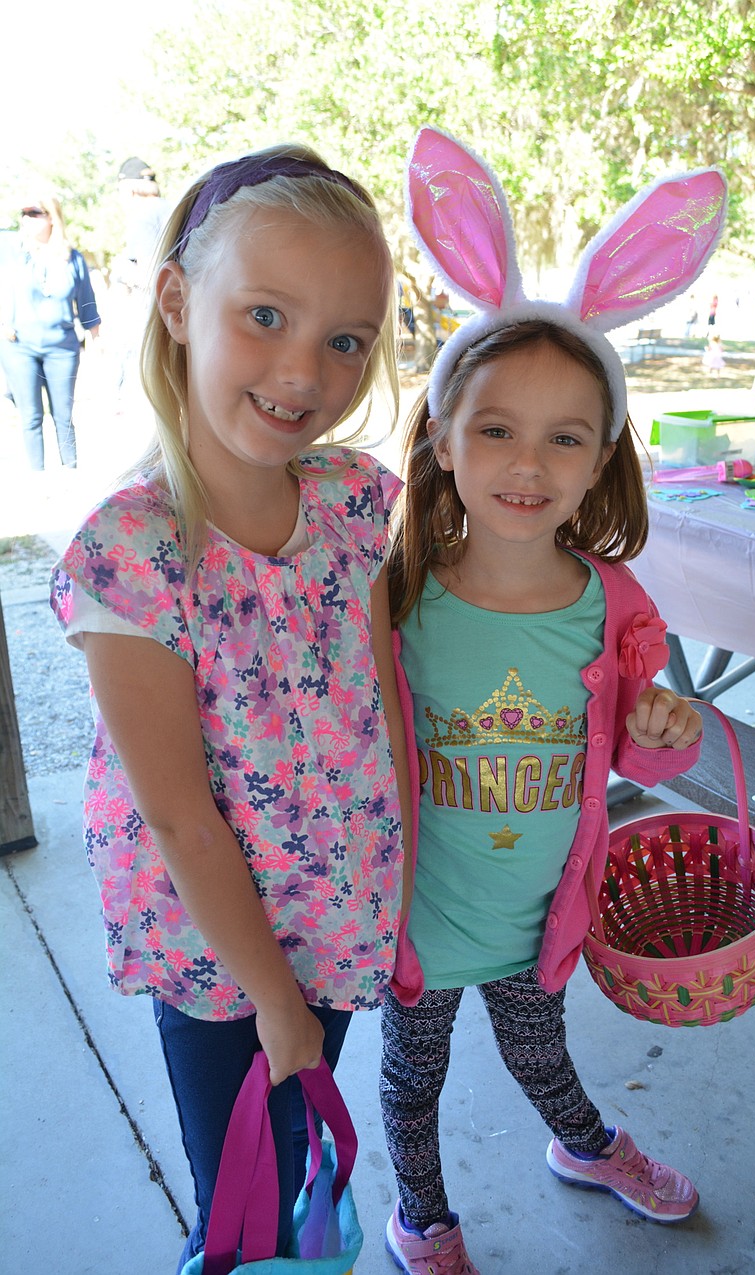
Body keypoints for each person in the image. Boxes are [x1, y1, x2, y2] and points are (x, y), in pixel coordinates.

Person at [49, 141, 410, 1272]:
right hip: (223, 968)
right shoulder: (132, 554)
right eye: (265, 315)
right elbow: (181, 819)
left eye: (344, 340)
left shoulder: (354, 506)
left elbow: (383, 699)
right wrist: (273, 1000)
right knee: (241, 1191)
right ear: (174, 303)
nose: (304, 372)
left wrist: (406, 880)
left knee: (297, 1149)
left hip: (342, 918)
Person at [379, 128, 726, 1274]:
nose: (526, 464)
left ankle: (585, 1145)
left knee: (543, 1055)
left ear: (598, 459)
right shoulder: (396, 592)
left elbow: (642, 750)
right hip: (418, 923)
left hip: (541, 916)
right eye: (494, 429)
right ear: (440, 434)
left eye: (562, 438)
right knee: (411, 1077)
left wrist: (662, 727)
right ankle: (424, 1218)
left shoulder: (613, 602)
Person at [0, 191, 101, 469]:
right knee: (30, 417)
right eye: (24, 213)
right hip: (18, 346)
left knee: (63, 415)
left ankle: (71, 471)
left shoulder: (72, 258)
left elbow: (87, 302)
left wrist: (96, 339)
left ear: (51, 217)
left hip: (62, 346)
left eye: (34, 212)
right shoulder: (9, 250)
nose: (26, 218)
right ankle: (38, 477)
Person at [111, 157, 170, 402]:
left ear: (131, 188)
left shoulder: (144, 215)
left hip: (150, 320)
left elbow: (151, 276)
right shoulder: (172, 207)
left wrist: (121, 273)